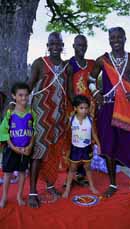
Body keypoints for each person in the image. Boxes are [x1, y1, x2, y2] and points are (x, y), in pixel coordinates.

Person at [88, 27, 130, 203]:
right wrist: (95, 93)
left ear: (124, 38)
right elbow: (91, 80)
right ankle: (113, 185)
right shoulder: (103, 60)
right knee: (109, 148)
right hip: (107, 110)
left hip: (128, 110)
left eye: (118, 37)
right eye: (112, 38)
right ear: (109, 40)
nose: (115, 40)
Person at [28, 32, 69, 208]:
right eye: (51, 43)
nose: (55, 47)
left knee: (53, 153)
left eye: (58, 43)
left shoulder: (67, 67)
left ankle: (51, 184)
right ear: (47, 45)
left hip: (58, 117)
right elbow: (29, 85)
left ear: (62, 46)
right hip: (41, 115)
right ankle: (32, 192)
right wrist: (16, 101)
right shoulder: (40, 63)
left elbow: (69, 92)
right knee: (38, 152)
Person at [0, 82, 36, 208]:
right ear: (14, 96)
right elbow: (4, 132)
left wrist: (30, 146)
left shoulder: (31, 113)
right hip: (12, 149)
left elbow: (34, 131)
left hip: (26, 150)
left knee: (22, 173)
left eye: (26, 95)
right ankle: (4, 197)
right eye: (20, 95)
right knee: (8, 174)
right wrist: (13, 146)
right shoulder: (10, 114)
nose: (23, 98)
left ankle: (19, 196)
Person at [67, 34, 96, 186]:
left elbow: (94, 84)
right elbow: (69, 89)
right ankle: (73, 172)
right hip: (76, 108)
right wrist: (76, 107)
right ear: (73, 46)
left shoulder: (91, 64)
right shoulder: (69, 65)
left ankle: (83, 172)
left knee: (87, 138)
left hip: (89, 108)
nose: (82, 48)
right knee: (74, 139)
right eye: (79, 45)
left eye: (84, 45)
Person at [62, 95, 101, 198]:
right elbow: (66, 132)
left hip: (87, 148)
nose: (84, 111)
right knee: (72, 169)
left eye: (86, 108)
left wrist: (99, 145)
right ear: (75, 108)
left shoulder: (90, 120)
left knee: (87, 168)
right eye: (81, 108)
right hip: (75, 148)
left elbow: (94, 134)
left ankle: (92, 186)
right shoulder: (71, 119)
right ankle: (67, 188)